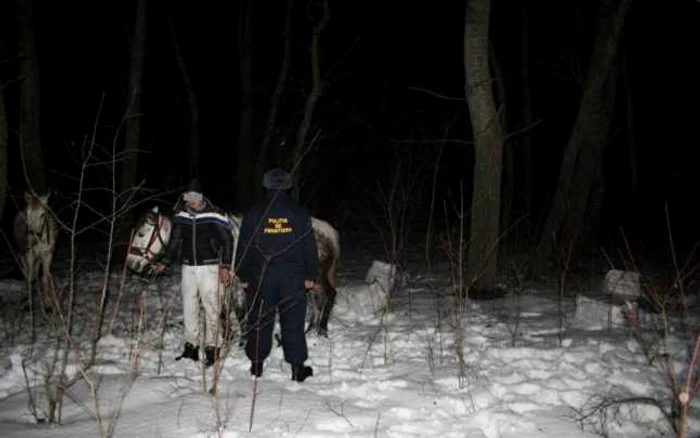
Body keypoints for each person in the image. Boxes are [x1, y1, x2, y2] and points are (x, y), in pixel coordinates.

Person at [234, 168, 318, 382]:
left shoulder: (254, 213)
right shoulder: (299, 213)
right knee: (293, 322)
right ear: (288, 186)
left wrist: (243, 274)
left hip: (261, 277)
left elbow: (244, 246)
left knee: (259, 320)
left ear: (266, 185)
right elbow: (309, 246)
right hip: (293, 278)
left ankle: (256, 365)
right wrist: (311, 274)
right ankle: (297, 368)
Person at [156, 179, 233, 367]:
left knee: (211, 305)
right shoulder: (181, 215)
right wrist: (165, 261)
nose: (190, 201)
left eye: (193, 197)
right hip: (188, 267)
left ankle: (212, 349)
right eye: (187, 197)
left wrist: (225, 266)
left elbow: (227, 241)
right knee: (188, 306)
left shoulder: (215, 214)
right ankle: (191, 347)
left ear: (200, 197)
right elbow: (174, 241)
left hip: (210, 267)